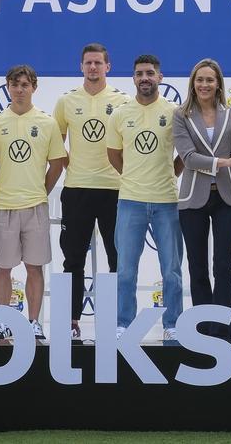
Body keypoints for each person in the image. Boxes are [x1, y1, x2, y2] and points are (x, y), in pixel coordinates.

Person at [0, 65, 67, 342]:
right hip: (3, 206)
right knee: (3, 267)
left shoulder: (46, 122)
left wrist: (41, 190)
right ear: (8, 87)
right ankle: (3, 323)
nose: (20, 89)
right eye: (15, 84)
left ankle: (33, 322)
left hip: (35, 206)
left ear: (34, 87)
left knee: (34, 266)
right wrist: (0, 185)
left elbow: (57, 163)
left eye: (25, 85)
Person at [53, 43, 130, 341]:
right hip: (77, 190)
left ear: (108, 67)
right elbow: (56, 145)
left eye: (98, 63)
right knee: (73, 259)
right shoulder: (66, 101)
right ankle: (70, 321)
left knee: (117, 259)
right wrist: (76, 166)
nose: (93, 68)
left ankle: (115, 321)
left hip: (114, 190)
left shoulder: (122, 101)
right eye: (88, 63)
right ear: (81, 67)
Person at [107, 54, 185, 342]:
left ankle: (172, 323)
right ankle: (123, 323)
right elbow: (113, 153)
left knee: (172, 270)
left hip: (167, 201)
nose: (145, 78)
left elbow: (185, 155)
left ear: (160, 77)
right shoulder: (121, 113)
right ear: (133, 78)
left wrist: (169, 175)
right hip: (130, 200)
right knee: (126, 270)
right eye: (139, 73)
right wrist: (132, 176)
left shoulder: (176, 112)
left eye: (150, 73)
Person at [173, 58, 231, 341]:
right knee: (197, 266)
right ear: (193, 83)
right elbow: (188, 158)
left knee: (224, 266)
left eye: (210, 80)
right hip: (193, 199)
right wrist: (225, 162)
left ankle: (222, 332)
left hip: (228, 197)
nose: (204, 85)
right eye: (200, 80)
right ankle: (202, 331)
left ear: (218, 84)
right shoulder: (181, 115)